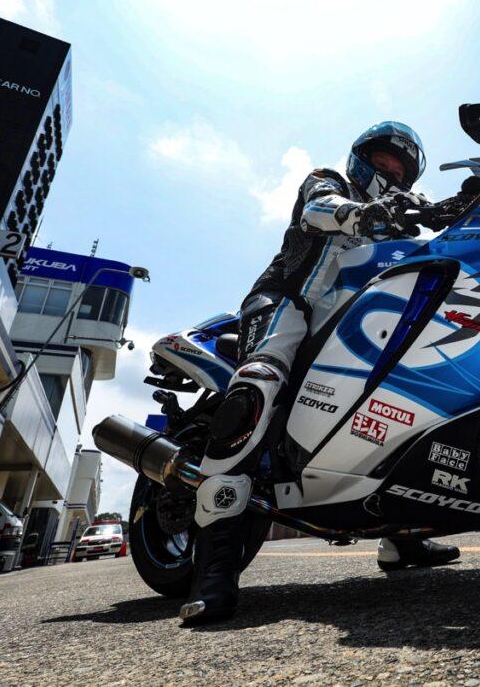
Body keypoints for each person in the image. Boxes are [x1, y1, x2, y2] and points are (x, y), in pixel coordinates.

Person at [180, 122, 460, 625]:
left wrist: (455, 210)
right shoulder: (327, 181)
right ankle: (215, 567)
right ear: (362, 159)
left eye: (400, 171)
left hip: (353, 322)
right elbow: (319, 207)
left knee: (401, 387)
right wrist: (361, 211)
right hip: (289, 299)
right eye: (383, 162)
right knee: (259, 382)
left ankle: (402, 538)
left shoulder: (398, 222)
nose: (391, 174)